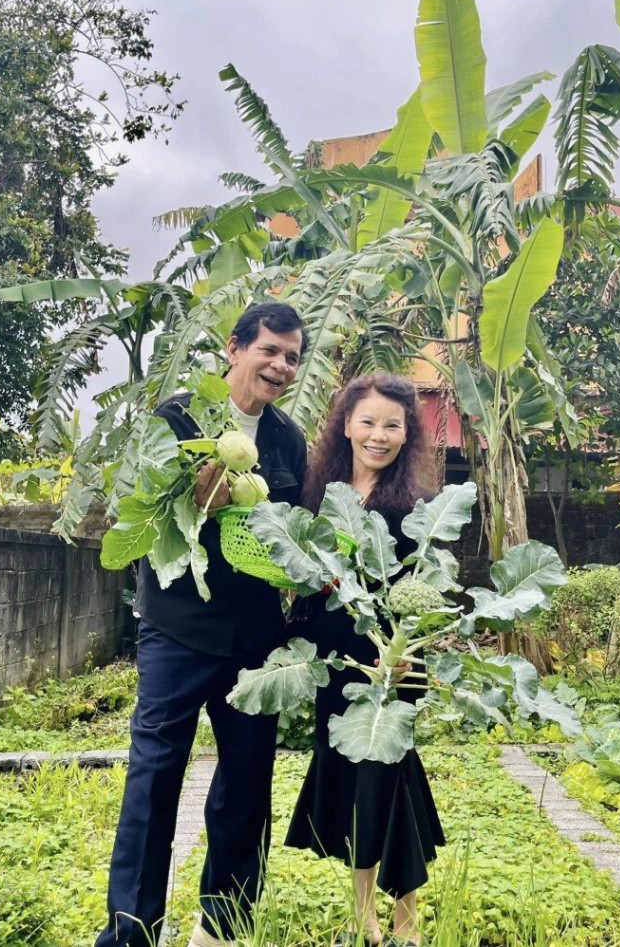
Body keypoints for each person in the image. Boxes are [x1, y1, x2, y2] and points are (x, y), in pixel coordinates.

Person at [95, 302, 308, 947]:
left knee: (247, 780)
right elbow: (139, 505)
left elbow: (289, 533)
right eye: (269, 350)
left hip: (255, 636)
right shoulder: (178, 418)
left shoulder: (287, 440)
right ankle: (131, 932)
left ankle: (223, 926)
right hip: (177, 628)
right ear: (234, 349)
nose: (281, 366)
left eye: (292, 357)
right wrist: (192, 497)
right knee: (154, 776)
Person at [286, 374, 445, 947]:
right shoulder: (319, 496)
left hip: (391, 666)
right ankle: (363, 917)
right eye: (368, 422)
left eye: (392, 426)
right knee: (354, 783)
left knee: (389, 783)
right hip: (338, 665)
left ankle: (406, 920)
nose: (379, 435)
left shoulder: (414, 506)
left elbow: (427, 591)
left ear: (407, 434)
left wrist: (408, 654)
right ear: (347, 426)